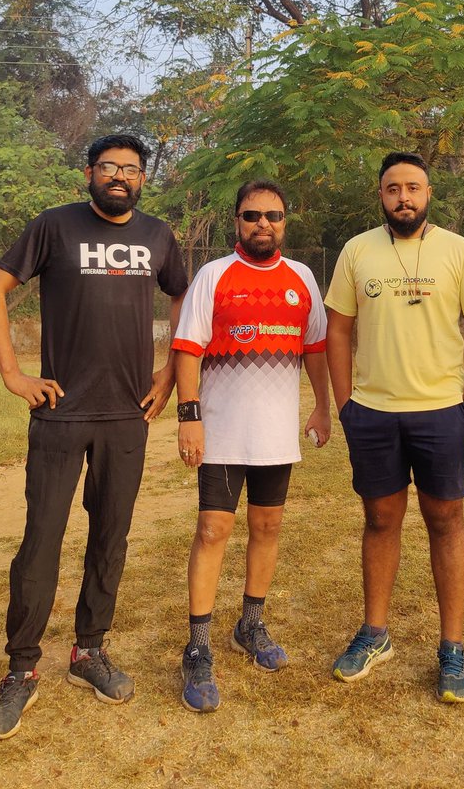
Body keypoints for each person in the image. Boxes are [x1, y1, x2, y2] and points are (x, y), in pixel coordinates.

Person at [0, 134, 188, 740]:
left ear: (143, 179)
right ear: (89, 173)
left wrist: (170, 372)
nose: (119, 176)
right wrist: (13, 374)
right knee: (41, 539)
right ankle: (21, 669)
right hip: (61, 414)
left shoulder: (158, 236)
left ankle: (89, 651)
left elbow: (185, 297)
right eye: (109, 167)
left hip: (128, 415)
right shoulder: (54, 227)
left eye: (131, 169)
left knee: (110, 536)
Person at [325, 152, 464, 704]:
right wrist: (346, 404)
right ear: (381, 195)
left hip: (442, 411)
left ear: (428, 194)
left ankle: (453, 647)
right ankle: (375, 634)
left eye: (414, 188)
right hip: (372, 413)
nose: (405, 197)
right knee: (380, 518)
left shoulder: (459, 251)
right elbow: (338, 331)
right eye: (394, 188)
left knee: (446, 519)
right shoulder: (357, 250)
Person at [172, 180, 331, 713]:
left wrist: (322, 406)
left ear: (286, 222)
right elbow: (188, 349)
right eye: (252, 215)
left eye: (274, 215)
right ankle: (198, 646)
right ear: (236, 221)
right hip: (220, 431)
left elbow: (315, 349)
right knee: (213, 529)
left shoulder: (302, 278)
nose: (264, 223)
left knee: (267, 527)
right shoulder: (214, 275)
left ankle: (251, 624)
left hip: (275, 434)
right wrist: (189, 417)